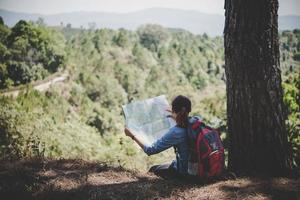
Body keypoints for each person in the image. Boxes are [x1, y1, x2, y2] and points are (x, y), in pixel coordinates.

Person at [124, 95, 191, 179]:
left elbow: (150, 150)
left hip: (184, 172)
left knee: (153, 169)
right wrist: (176, 116)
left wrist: (132, 135)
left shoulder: (176, 132)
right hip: (196, 168)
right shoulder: (195, 121)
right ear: (189, 110)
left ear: (174, 110)